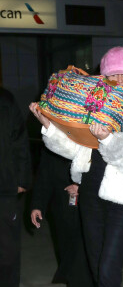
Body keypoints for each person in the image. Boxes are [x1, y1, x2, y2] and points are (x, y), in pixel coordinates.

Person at [29, 46, 123, 287]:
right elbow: (75, 150)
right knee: (96, 266)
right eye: (114, 74)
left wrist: (109, 139)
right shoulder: (95, 104)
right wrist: (48, 126)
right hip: (89, 194)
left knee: (108, 268)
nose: (119, 80)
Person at [30, 147, 94, 287]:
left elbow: (103, 167)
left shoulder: (88, 133)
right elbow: (44, 175)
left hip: (91, 207)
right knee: (69, 254)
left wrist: (81, 186)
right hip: (62, 207)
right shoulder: (52, 140)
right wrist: (37, 205)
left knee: (85, 258)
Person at [0, 88, 31, 287]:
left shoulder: (5, 100)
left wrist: (22, 179)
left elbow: (20, 140)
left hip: (4, 187)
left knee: (6, 249)